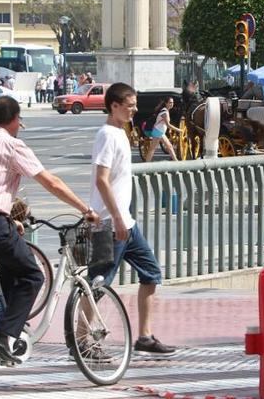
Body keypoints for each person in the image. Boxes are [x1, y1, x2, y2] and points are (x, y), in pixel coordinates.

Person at [0, 96, 98, 364]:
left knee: (11, 270)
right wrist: (84, 209)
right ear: (15, 119)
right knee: (33, 276)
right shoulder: (11, 145)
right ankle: (5, 335)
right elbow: (50, 181)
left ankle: (4, 325)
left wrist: (8, 218)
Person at [88, 82, 175, 353]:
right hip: (109, 223)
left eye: (135, 105)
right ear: (114, 106)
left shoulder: (120, 133)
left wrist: (122, 218)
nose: (134, 110)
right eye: (130, 105)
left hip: (126, 222)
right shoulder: (107, 135)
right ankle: (81, 339)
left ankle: (145, 336)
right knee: (98, 283)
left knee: (151, 273)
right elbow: (101, 180)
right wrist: (115, 218)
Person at [143, 97, 181, 162]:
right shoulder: (165, 112)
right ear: (166, 103)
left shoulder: (165, 110)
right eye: (170, 102)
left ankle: (176, 161)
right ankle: (147, 164)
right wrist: (178, 130)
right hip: (158, 132)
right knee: (153, 149)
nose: (171, 104)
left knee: (169, 146)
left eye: (172, 102)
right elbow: (168, 125)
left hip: (159, 132)